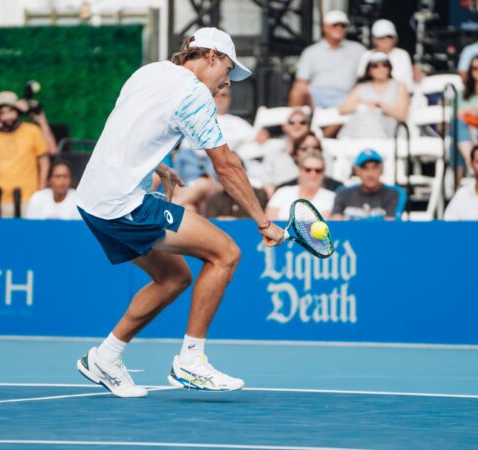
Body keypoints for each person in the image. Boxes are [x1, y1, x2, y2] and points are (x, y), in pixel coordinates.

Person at [75, 28, 285, 398]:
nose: (224, 85)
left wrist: (158, 167)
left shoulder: (149, 72)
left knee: (173, 279)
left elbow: (128, 128)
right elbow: (227, 167)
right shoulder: (195, 96)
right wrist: (263, 222)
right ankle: (191, 361)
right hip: (125, 204)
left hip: (93, 200)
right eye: (227, 72)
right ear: (211, 57)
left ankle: (105, 357)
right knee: (226, 253)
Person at [0, 91, 50, 218]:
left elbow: (44, 161)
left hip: (29, 200)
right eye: (3, 113)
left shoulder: (32, 131)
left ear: (18, 111)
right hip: (1, 200)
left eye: (11, 111)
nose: (8, 116)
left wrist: (41, 192)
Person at [289, 10, 365, 110]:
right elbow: (302, 81)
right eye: (335, 25)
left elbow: (368, 75)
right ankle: (295, 120)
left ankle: (325, 125)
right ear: (325, 27)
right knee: (298, 89)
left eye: (343, 26)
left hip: (346, 96)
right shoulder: (311, 51)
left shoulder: (358, 50)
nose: (339, 28)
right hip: (316, 96)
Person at [338, 52, 410, 139]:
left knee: (371, 117)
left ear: (389, 68)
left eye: (384, 65)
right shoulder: (362, 87)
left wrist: (379, 106)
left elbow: (401, 115)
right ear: (369, 70)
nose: (381, 69)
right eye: (375, 66)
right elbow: (342, 109)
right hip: (361, 129)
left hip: (388, 129)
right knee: (366, 116)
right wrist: (364, 104)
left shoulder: (399, 85)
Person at [332, 149, 406, 220]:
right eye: (364, 168)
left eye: (374, 167)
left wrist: (351, 219)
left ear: (381, 170)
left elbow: (391, 224)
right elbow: (336, 223)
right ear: (356, 171)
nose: (370, 174)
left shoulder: (395, 193)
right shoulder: (343, 193)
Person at [266, 151, 335, 220]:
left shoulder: (332, 197)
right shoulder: (282, 192)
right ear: (300, 170)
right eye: (308, 170)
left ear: (324, 173)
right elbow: (270, 221)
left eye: (318, 170)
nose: (313, 174)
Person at [261, 109, 311, 195]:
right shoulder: (273, 153)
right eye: (292, 122)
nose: (297, 125)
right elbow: (267, 184)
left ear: (309, 126)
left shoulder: (319, 151)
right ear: (284, 127)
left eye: (302, 122)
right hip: (280, 200)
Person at [203, 154, 269, 219]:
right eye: (224, 170)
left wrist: (233, 221)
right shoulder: (214, 199)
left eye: (234, 169)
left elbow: (260, 221)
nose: (229, 174)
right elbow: (209, 222)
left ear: (243, 171)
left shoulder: (258, 195)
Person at [356, 19, 414, 93]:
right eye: (381, 37)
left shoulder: (402, 55)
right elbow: (361, 82)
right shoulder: (367, 55)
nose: (385, 40)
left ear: (395, 39)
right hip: (370, 97)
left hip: (397, 96)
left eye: (389, 37)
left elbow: (406, 86)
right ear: (374, 39)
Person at [276, 131, 343, 192]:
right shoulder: (283, 189)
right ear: (294, 155)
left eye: (315, 148)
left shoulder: (337, 188)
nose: (310, 151)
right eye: (304, 148)